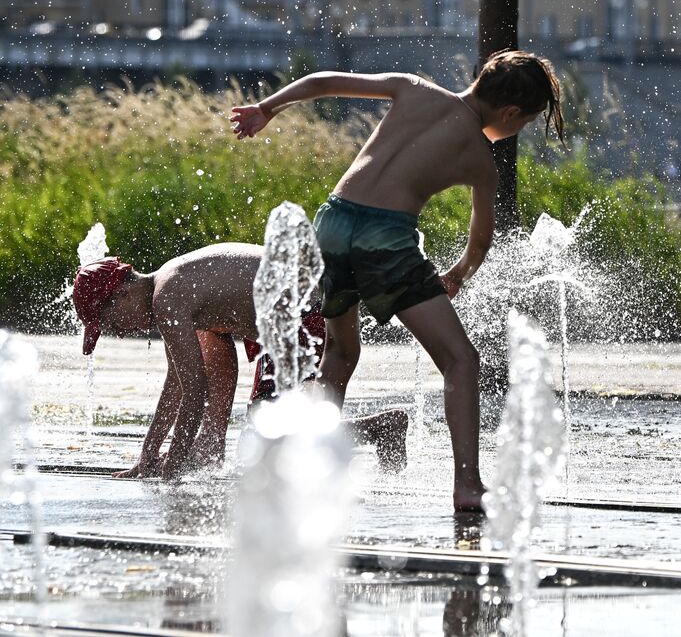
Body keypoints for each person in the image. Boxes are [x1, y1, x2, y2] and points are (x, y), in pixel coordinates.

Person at [230, 52, 564, 513]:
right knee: (461, 360)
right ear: (510, 114)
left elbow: (324, 81)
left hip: (331, 221)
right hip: (383, 238)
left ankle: (309, 472)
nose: (517, 130)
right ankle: (467, 485)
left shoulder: (413, 86)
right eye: (524, 124)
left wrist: (267, 108)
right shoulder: (480, 159)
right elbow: (481, 239)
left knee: (341, 352)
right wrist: (458, 274)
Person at [73, 245, 408, 479]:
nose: (121, 331)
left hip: (306, 311)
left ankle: (379, 429)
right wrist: (147, 456)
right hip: (283, 314)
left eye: (113, 324)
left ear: (121, 294)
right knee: (211, 341)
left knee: (269, 430)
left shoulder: (167, 298)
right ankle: (210, 445)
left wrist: (171, 469)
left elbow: (194, 391)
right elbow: (176, 382)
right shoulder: (168, 288)